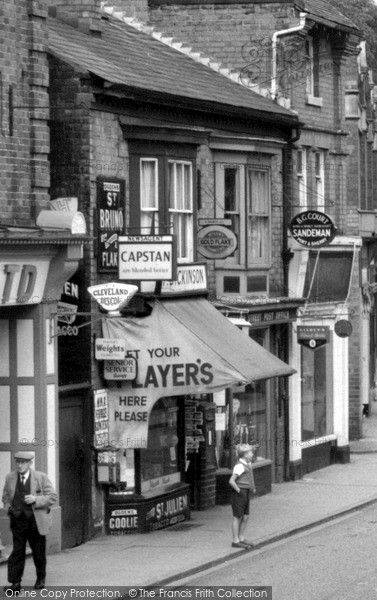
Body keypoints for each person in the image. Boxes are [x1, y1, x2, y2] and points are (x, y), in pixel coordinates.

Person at [2, 451, 57, 592]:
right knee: (17, 552)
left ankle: (40, 579)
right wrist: (9, 509)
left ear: (30, 463)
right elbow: (6, 497)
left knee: (38, 552)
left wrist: (36, 499)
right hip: (18, 520)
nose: (20, 466)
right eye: (18, 463)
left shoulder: (40, 477)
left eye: (23, 463)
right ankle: (15, 583)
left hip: (35, 521)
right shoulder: (10, 477)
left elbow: (52, 497)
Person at [229, 443, 257, 549]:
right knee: (237, 517)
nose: (252, 454)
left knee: (245, 516)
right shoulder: (239, 466)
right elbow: (231, 481)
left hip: (246, 492)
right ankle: (235, 540)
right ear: (244, 454)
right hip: (240, 493)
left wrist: (252, 487)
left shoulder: (247, 464)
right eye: (250, 452)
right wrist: (239, 490)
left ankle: (241, 537)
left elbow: (250, 477)